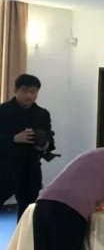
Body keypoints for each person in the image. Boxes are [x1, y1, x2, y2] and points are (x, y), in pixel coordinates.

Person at [0, 74, 54, 222]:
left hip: (31, 168)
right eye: (24, 91)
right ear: (15, 90)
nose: (29, 96)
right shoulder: (3, 111)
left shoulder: (42, 114)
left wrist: (45, 145)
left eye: (33, 91)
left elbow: (49, 137)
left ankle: (22, 237)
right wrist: (13, 139)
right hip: (4, 166)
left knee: (28, 210)